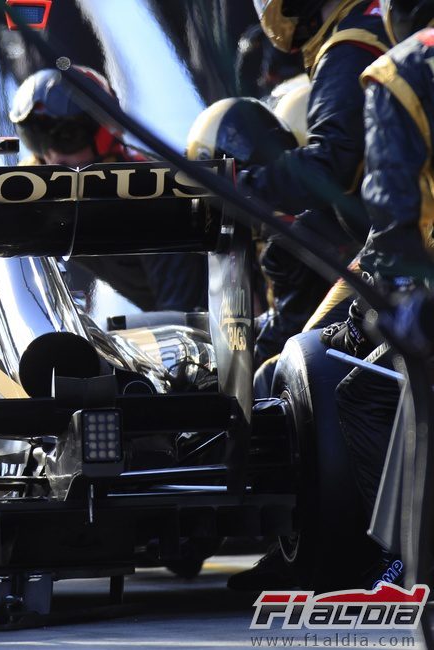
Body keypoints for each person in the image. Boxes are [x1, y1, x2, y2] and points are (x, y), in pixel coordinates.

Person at [227, 0, 392, 591]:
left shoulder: (351, 45)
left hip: (406, 249)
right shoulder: (375, 33)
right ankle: (305, 549)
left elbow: (333, 160)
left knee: (331, 381)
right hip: (393, 243)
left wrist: (241, 187)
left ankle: (379, 555)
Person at [327, 0, 434, 589]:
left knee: (365, 392)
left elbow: (392, 218)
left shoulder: (403, 70)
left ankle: (410, 560)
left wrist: (394, 299)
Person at [10, 65, 208, 314]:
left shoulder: (153, 192)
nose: (54, 157)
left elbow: (181, 317)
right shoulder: (26, 192)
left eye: (67, 136)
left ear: (102, 131)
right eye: (37, 141)